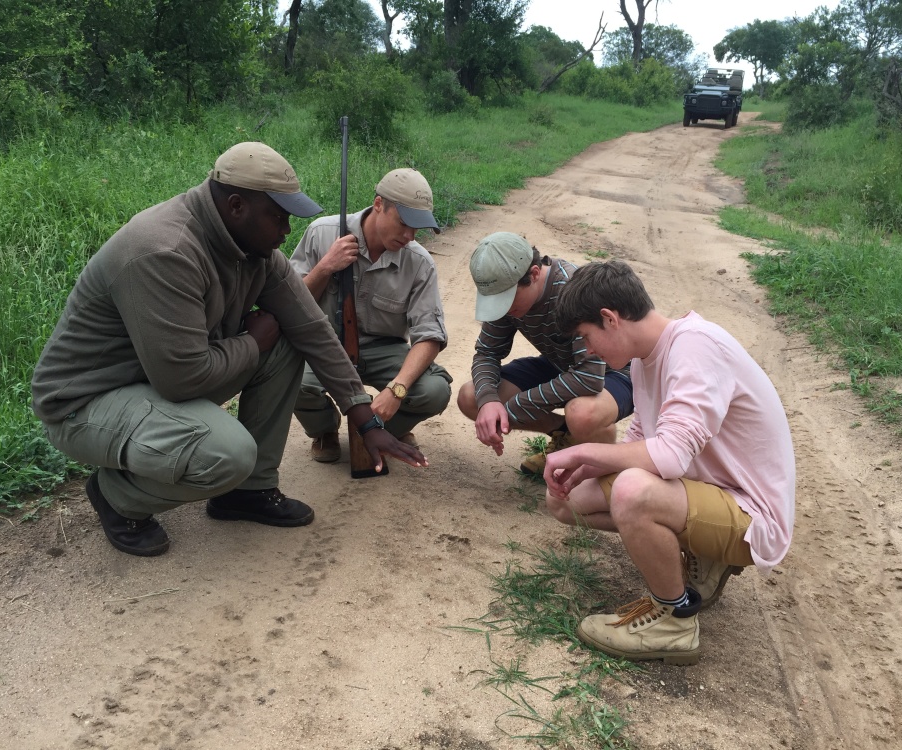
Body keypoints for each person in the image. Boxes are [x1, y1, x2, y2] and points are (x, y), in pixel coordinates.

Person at [30, 142, 425, 558]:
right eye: (279, 216)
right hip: (87, 402)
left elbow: (309, 326)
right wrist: (253, 342)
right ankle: (117, 496)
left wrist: (362, 416)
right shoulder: (164, 251)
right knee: (227, 453)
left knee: (290, 334)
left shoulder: (252, 248)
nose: (286, 232)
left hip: (154, 383)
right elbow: (183, 379)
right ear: (237, 206)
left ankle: (247, 492)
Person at [542, 261, 795, 665]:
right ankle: (704, 553)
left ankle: (675, 619)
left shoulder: (696, 347)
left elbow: (671, 456)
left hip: (752, 514)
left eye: (587, 338)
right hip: (708, 492)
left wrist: (582, 451)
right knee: (566, 499)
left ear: (610, 319)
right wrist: (589, 468)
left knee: (632, 493)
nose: (588, 351)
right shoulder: (646, 361)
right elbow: (642, 443)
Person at [289, 168, 452, 462]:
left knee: (434, 390)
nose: (409, 236)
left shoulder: (419, 262)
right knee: (291, 380)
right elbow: (288, 304)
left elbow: (429, 335)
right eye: (403, 223)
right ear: (379, 205)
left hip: (384, 349)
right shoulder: (322, 233)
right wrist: (324, 268)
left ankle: (385, 429)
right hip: (324, 347)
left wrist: (397, 390)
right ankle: (324, 429)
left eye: (418, 228)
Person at [457, 232, 634, 475]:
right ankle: (565, 435)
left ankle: (596, 469)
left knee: (582, 413)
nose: (504, 309)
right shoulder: (507, 292)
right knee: (472, 397)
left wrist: (513, 408)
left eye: (507, 298)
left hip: (612, 371)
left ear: (534, 274)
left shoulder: (572, 290)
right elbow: (487, 352)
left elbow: (590, 378)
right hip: (562, 365)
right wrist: (489, 402)